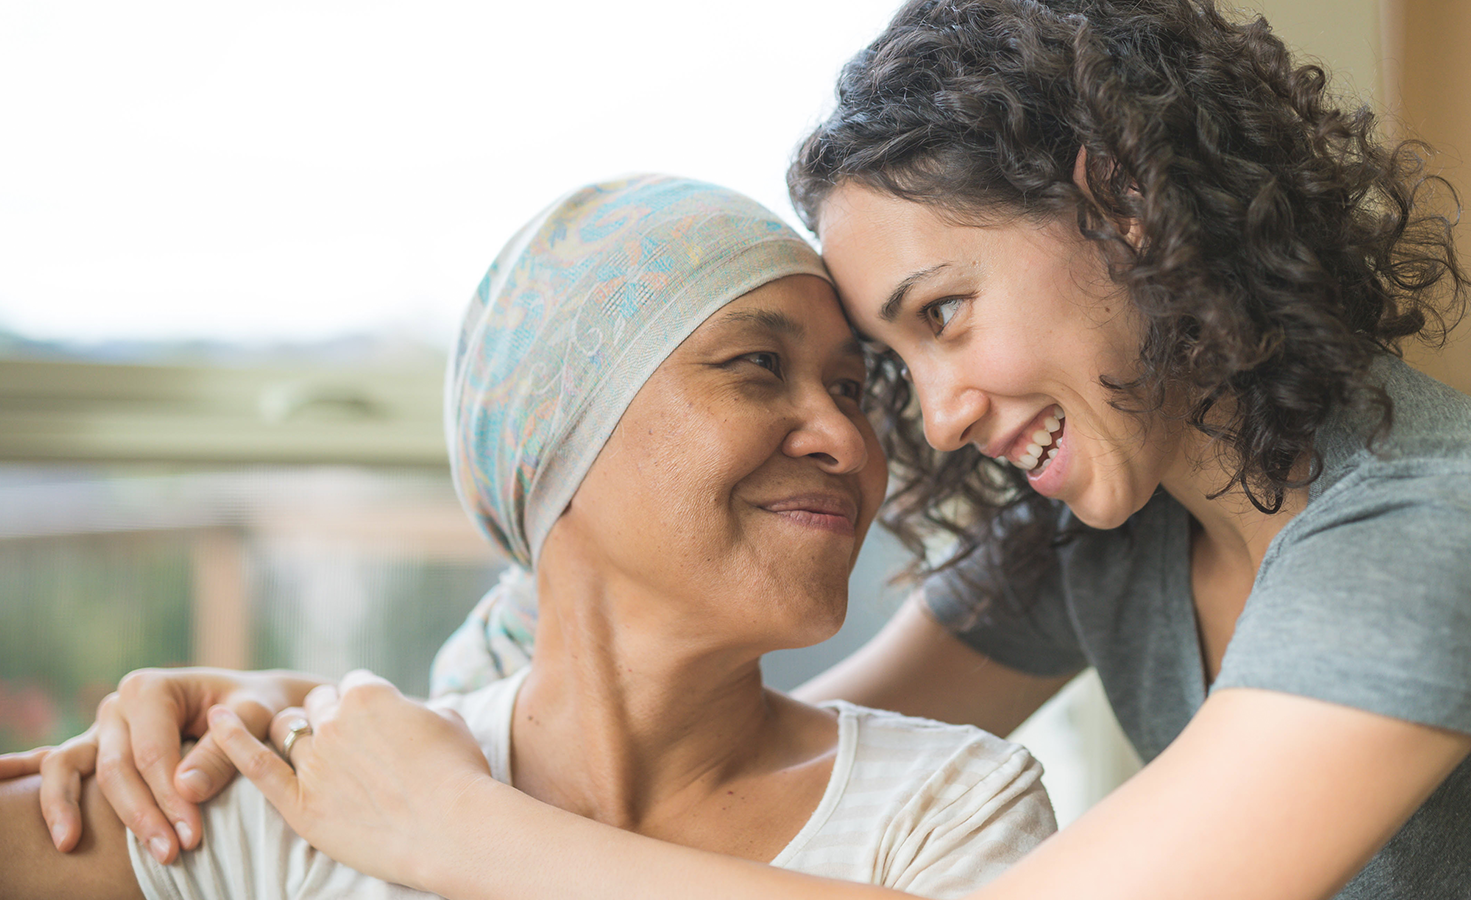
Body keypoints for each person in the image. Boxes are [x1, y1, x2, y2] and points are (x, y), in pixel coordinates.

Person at [9, 0, 1471, 897]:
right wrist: (300, 731)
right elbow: (729, 751)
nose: (932, 412)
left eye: (945, 312)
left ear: (1123, 204)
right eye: (894, 359)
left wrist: (450, 829)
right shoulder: (1108, 525)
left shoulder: (1437, 526)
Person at [0, 174, 1056, 900]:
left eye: (849, 387)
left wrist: (459, 827)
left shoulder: (948, 809)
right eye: (755, 366)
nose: (845, 436)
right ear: (560, 439)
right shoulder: (306, 786)